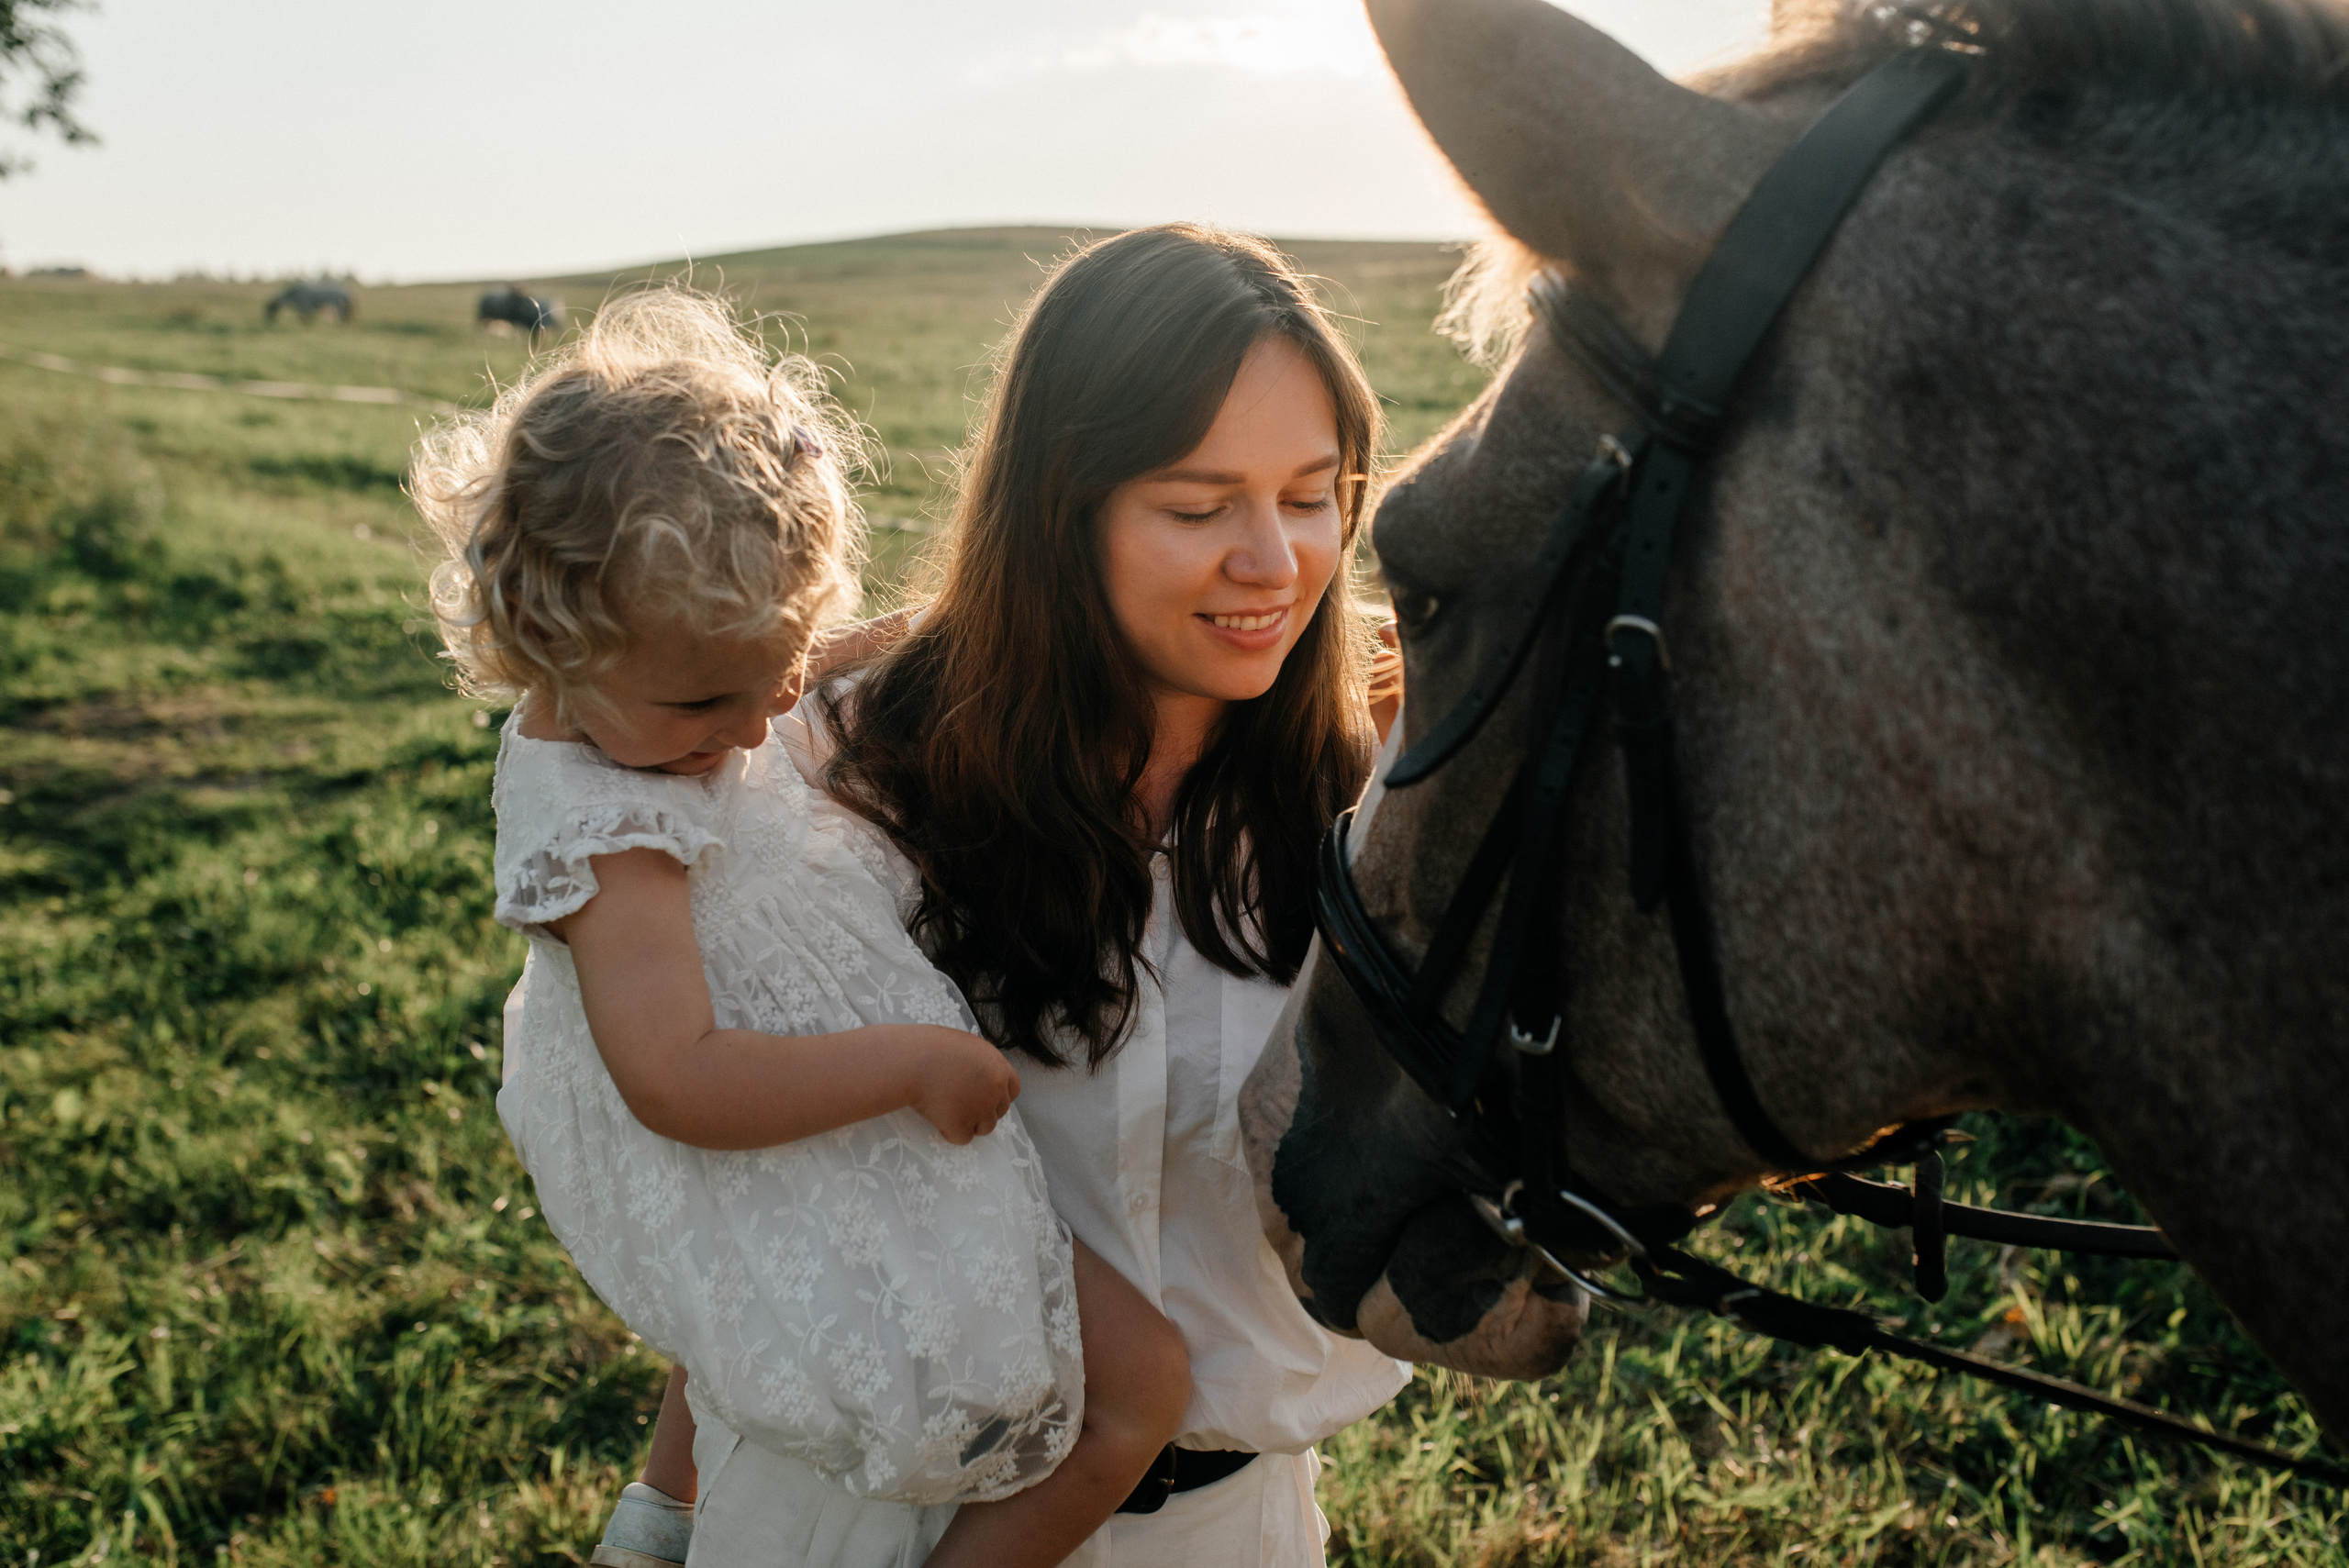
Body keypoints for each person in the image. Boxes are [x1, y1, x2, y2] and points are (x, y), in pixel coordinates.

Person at [661, 224, 1414, 1566]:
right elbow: (750, 1188)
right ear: (1060, 507)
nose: (1276, 559)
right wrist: (661, 1512)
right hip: (858, 1520)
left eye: (1313, 494)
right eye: (1199, 506)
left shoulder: (1371, 819)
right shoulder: (841, 772)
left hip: (1226, 1530)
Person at [415, 288, 1195, 1568]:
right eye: (713, 696)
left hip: (814, 1083)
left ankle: (663, 1513)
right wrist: (912, 1060)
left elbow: (814, 660)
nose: (761, 718)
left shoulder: (657, 681)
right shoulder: (608, 826)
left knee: (741, 1330)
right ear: (548, 644)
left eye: (781, 659)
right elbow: (677, 1074)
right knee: (1138, 1389)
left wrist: (958, 628)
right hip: (786, 1110)